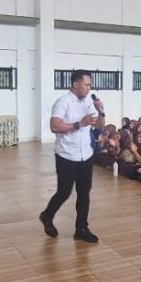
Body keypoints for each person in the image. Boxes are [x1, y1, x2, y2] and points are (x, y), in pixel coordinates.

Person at [39, 70, 103, 243]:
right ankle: (47, 215)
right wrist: (78, 124)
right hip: (66, 155)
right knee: (64, 192)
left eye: (90, 85)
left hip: (86, 155)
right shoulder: (63, 102)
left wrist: (101, 112)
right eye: (87, 84)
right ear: (76, 84)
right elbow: (55, 126)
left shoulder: (89, 103)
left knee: (84, 193)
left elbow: (99, 126)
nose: (89, 88)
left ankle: (81, 228)